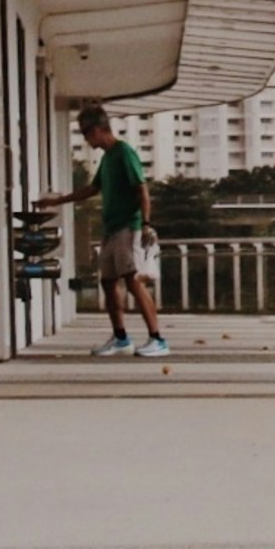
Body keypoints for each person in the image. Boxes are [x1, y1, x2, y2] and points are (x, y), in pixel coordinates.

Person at [46, 105, 170, 359]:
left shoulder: (124, 153)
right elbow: (92, 189)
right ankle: (120, 337)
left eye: (86, 132)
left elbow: (142, 189)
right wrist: (57, 202)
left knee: (133, 281)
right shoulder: (107, 158)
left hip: (129, 226)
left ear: (99, 129)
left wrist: (146, 223)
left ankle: (158, 339)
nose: (85, 138)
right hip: (112, 228)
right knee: (108, 281)